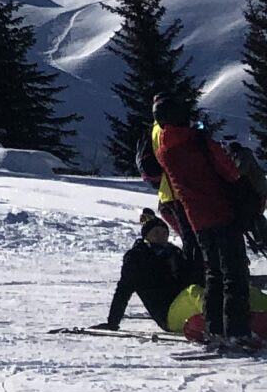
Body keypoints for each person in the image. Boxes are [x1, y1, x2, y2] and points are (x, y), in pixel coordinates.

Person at [150, 99, 258, 352]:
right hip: (221, 211)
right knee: (235, 272)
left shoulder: (165, 149)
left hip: (196, 218)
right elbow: (229, 170)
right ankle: (238, 332)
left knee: (214, 273)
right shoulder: (196, 140)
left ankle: (214, 329)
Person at [104, 211, 197, 331]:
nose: (161, 236)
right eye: (156, 232)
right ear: (146, 235)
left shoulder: (174, 253)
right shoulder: (137, 257)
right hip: (169, 317)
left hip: (187, 305)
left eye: (164, 233)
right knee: (195, 292)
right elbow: (123, 291)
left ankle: (221, 321)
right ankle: (218, 326)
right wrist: (112, 323)